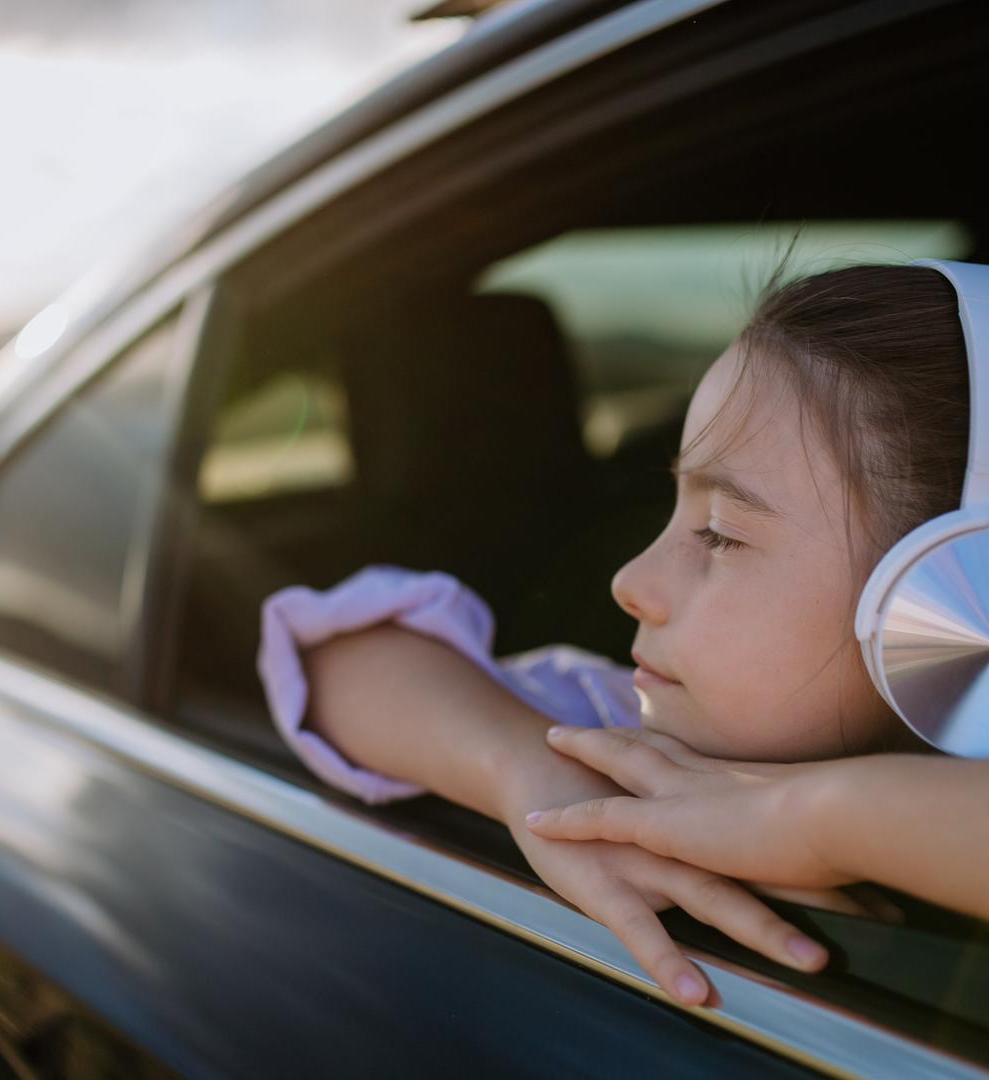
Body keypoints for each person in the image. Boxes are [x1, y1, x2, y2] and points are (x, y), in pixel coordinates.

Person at [258, 259, 977, 1007]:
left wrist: (819, 819)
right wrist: (525, 772)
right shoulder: (629, 753)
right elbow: (336, 650)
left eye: (722, 534)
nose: (629, 581)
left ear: (955, 591)